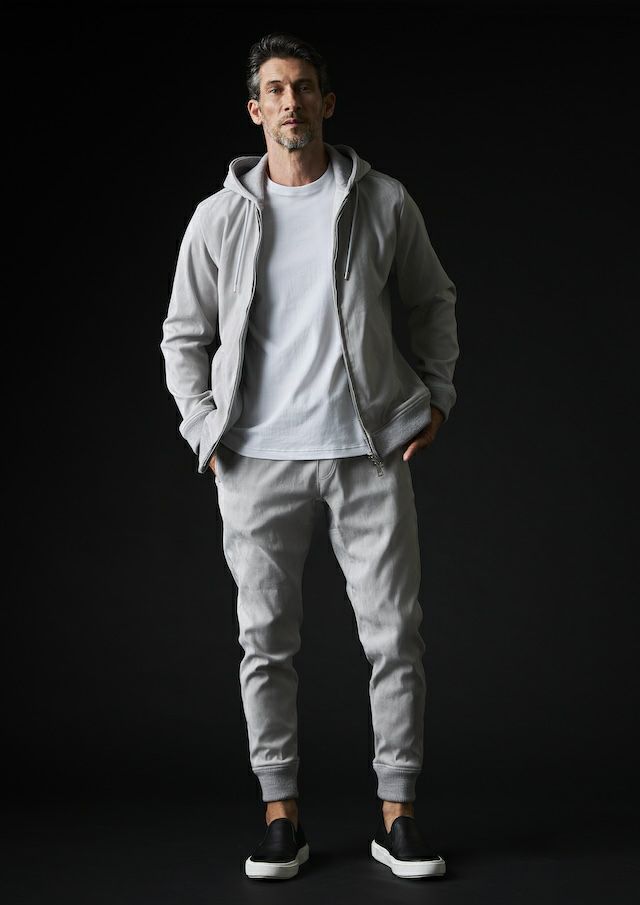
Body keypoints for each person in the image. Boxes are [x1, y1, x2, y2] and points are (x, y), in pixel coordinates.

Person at [160, 32, 458, 880]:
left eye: (303, 88)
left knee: (395, 638)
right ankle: (280, 816)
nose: (290, 102)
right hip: (256, 462)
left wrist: (436, 396)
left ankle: (398, 816)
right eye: (275, 89)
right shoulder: (218, 217)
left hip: (368, 455)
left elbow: (432, 300)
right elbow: (183, 334)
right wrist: (204, 428)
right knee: (265, 643)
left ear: (327, 103)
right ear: (255, 110)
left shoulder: (383, 202)